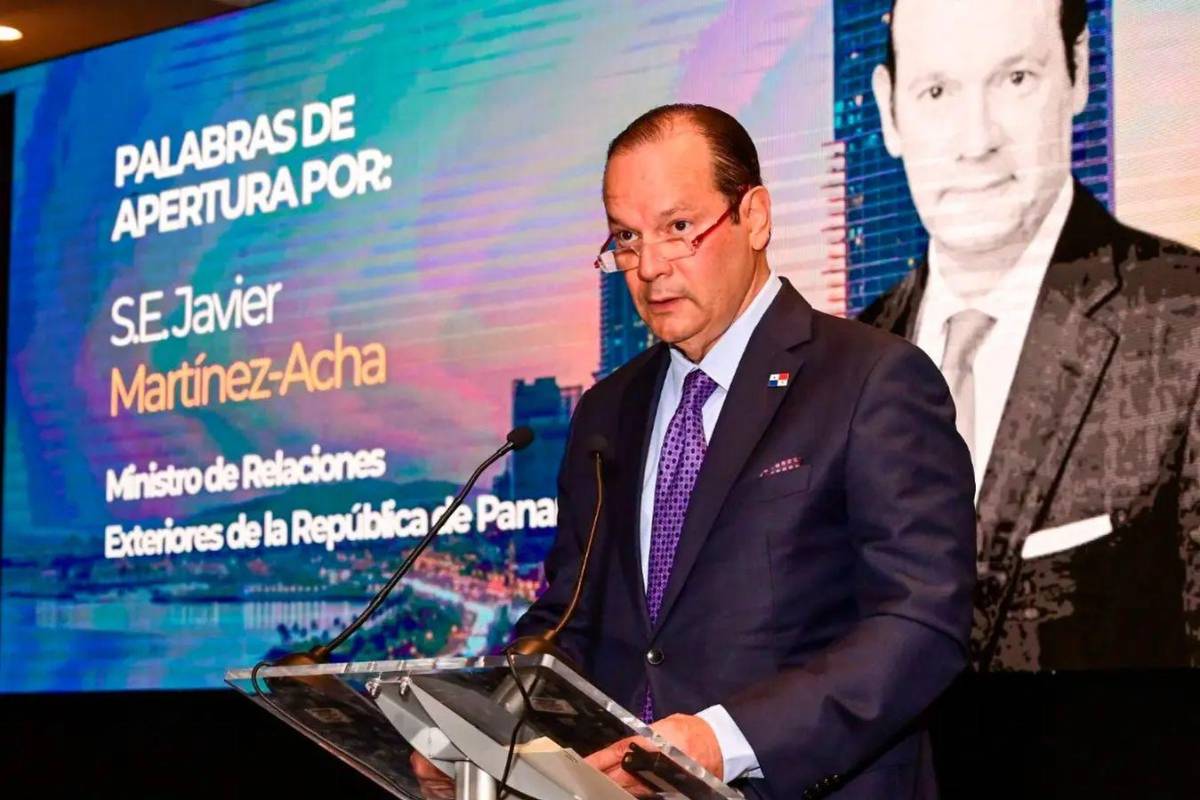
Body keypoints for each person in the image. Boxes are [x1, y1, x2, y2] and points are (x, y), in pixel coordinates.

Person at [508, 104, 976, 799]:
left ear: (754, 217)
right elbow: (571, 619)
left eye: (678, 228)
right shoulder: (608, 412)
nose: (649, 267)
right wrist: (489, 725)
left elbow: (920, 622)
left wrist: (724, 741)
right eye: (627, 238)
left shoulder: (870, 380)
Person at [862, 0, 1200, 671]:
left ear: (1078, 73)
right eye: (937, 91)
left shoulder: (1184, 323)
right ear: (889, 110)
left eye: (1015, 79)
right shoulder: (848, 357)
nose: (976, 140)